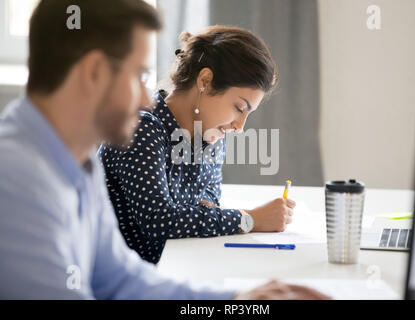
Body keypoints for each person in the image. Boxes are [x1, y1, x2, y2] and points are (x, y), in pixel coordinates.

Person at [0, 0, 329, 300]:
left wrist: (239, 302)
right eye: (137, 75)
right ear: (94, 72)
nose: (146, 99)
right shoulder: (17, 180)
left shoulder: (77, 164)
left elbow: (121, 280)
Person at [98, 25, 296, 264]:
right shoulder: (141, 127)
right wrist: (249, 219)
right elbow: (161, 223)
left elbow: (209, 206)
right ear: (205, 81)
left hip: (178, 267)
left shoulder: (210, 136)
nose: (240, 126)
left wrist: (196, 216)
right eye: (239, 108)